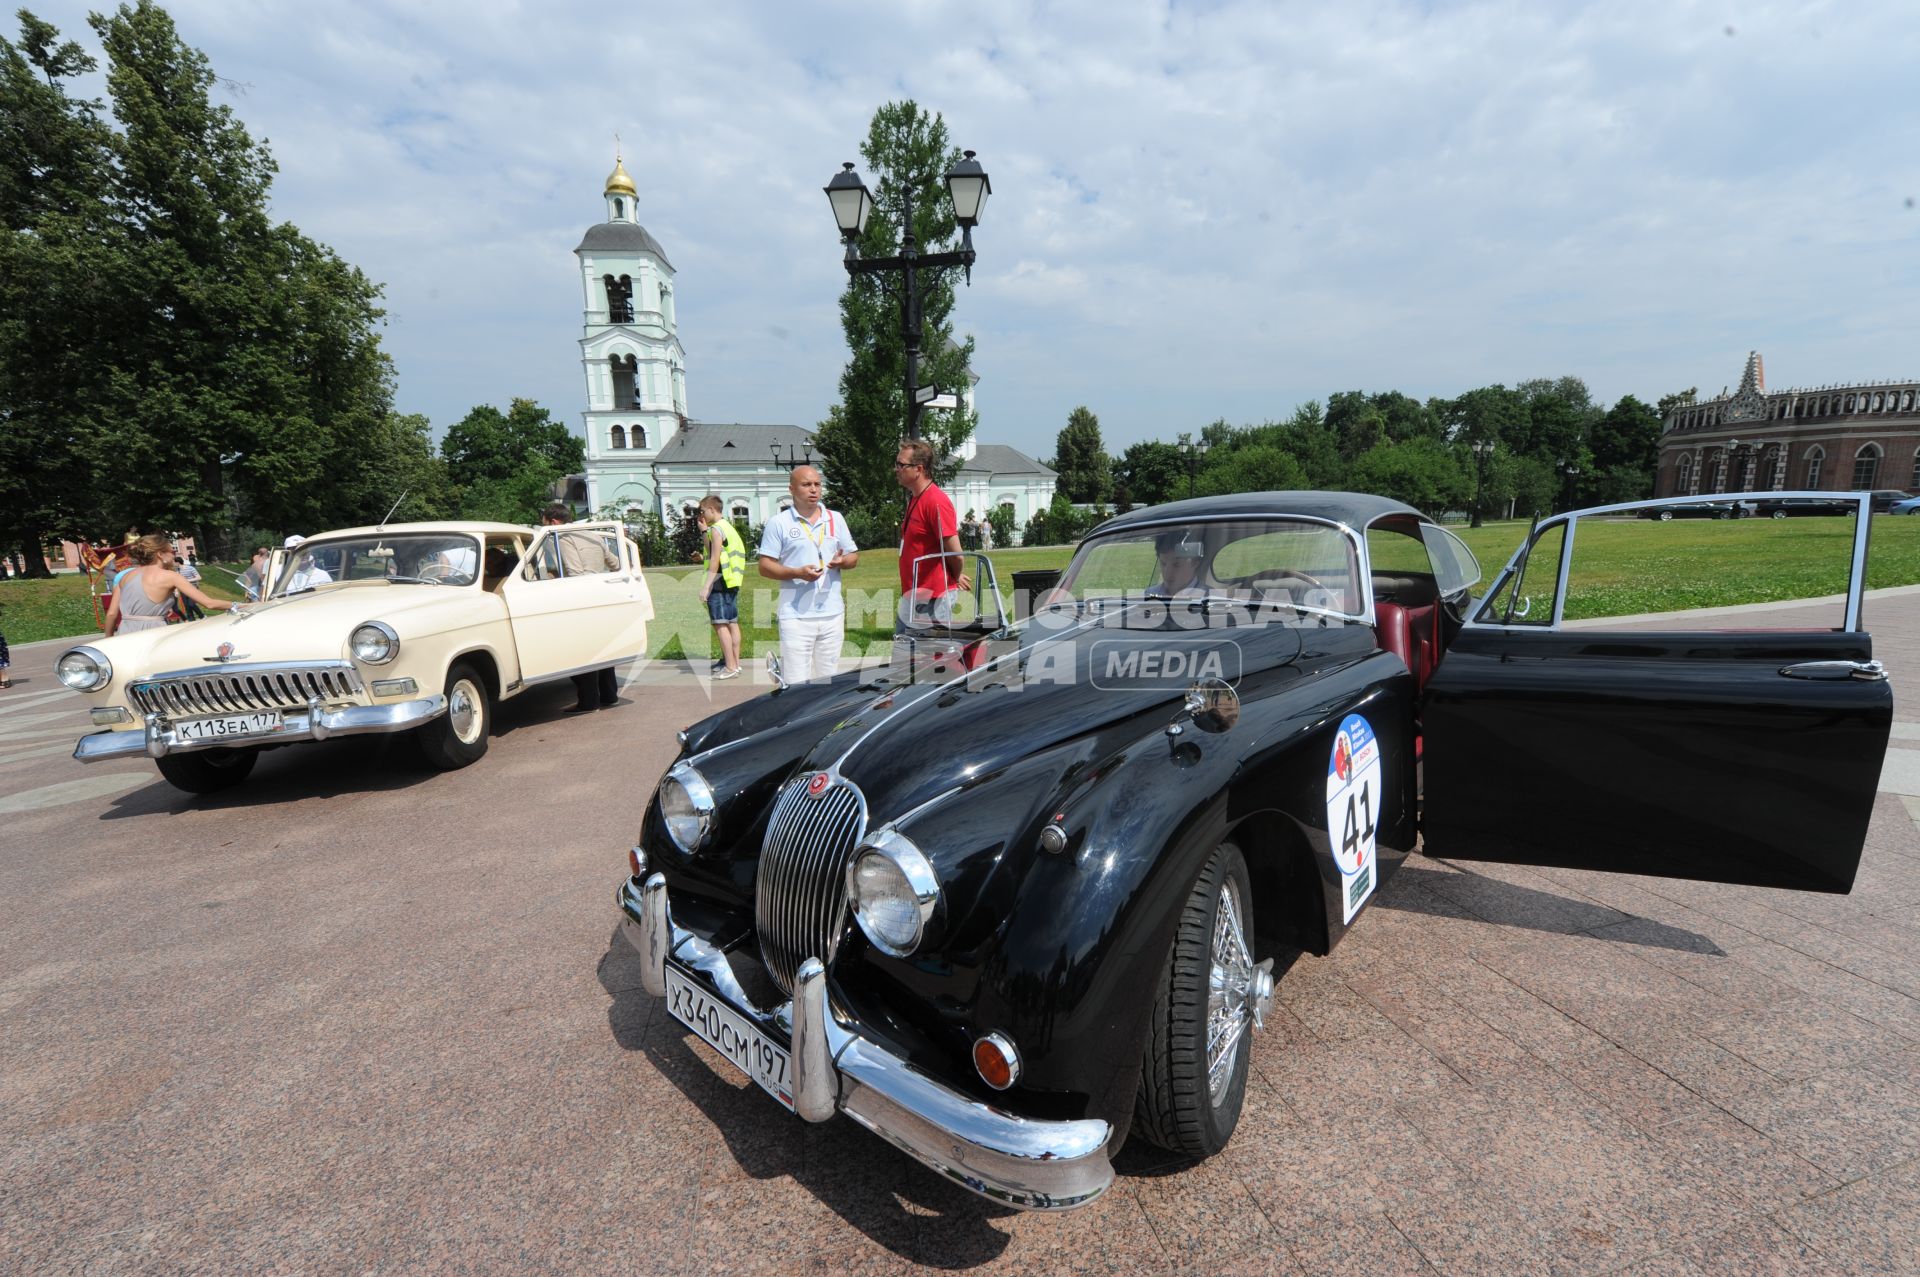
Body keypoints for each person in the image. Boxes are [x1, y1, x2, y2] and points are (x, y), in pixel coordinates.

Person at [757, 465, 858, 682]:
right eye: (806, 484)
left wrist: (843, 561)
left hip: (832, 613)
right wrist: (796, 573)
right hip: (796, 616)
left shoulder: (835, 519)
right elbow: (765, 566)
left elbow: (853, 557)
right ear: (792, 489)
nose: (813, 489)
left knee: (827, 681)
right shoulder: (779, 523)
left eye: (817, 484)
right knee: (796, 683)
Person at [541, 503, 625, 712]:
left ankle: (589, 701)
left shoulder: (564, 538)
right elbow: (616, 564)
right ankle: (609, 695)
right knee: (603, 648)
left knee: (583, 651)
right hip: (601, 595)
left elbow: (574, 572)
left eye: (544, 523)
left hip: (582, 598)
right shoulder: (593, 535)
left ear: (554, 522)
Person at [894, 438, 970, 633]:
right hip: (913, 596)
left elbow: (956, 554)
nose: (896, 469)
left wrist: (954, 575)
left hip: (933, 600)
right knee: (906, 657)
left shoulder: (935, 501)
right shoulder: (916, 498)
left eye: (901, 465)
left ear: (918, 469)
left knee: (929, 660)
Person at [103, 534, 234, 636]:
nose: (174, 555)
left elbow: (111, 614)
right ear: (160, 554)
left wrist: (108, 640)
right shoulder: (171, 576)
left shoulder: (125, 577)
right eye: (172, 552)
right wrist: (240, 605)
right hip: (153, 633)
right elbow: (209, 603)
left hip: (125, 632)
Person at [698, 496, 747, 680]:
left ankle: (730, 666)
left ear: (711, 509)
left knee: (720, 623)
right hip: (732, 579)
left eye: (702, 511)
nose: (701, 515)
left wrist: (706, 586)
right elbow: (715, 552)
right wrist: (704, 532)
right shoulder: (727, 527)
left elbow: (714, 559)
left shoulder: (717, 530)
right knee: (732, 622)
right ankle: (735, 663)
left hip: (720, 580)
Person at [1146, 530, 1207, 597]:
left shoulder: (1211, 599)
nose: (1167, 573)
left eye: (1177, 565)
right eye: (1163, 563)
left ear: (1195, 562)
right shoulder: (1149, 595)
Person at [174, 544, 206, 620]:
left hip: (193, 588)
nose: (173, 564)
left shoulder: (190, 568)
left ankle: (201, 615)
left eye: (174, 562)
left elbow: (199, 577)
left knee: (191, 604)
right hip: (183, 590)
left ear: (178, 562)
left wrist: (187, 580)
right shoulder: (177, 571)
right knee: (187, 606)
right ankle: (191, 620)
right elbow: (176, 581)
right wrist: (176, 590)